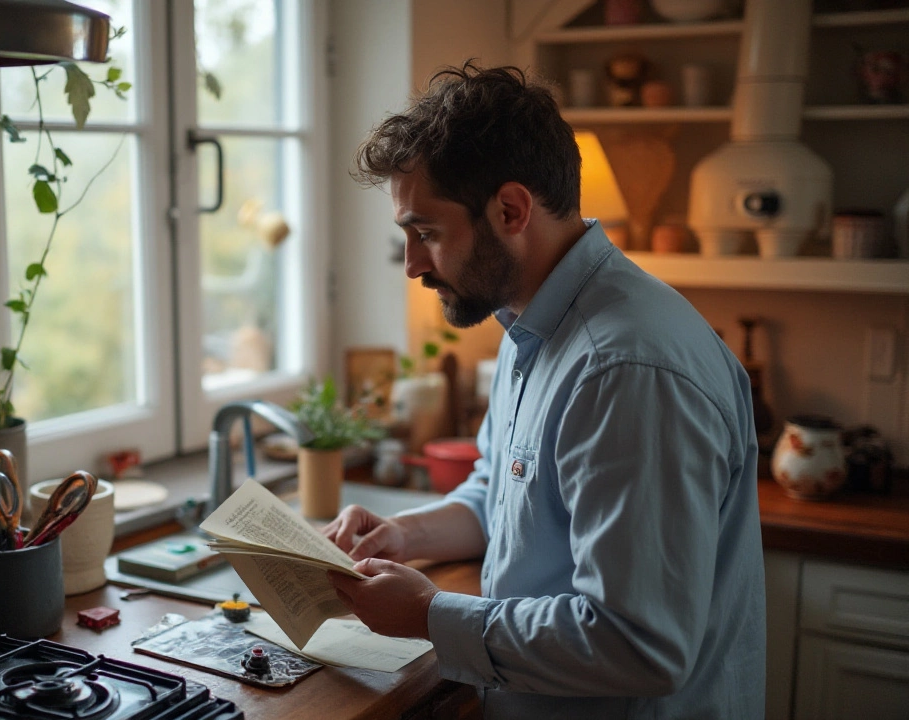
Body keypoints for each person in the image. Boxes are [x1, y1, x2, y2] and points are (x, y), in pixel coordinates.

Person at [324, 63, 765, 718]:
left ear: (510, 210)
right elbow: (504, 491)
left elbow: (639, 644)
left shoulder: (624, 372)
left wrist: (428, 614)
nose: (414, 264)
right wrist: (402, 536)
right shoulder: (531, 325)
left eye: (427, 232)